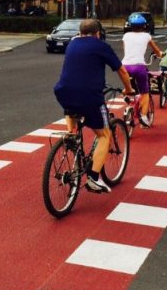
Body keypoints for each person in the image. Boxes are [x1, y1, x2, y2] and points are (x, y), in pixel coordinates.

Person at [53, 19, 135, 193]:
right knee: (104, 134)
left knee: (72, 108)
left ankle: (71, 135)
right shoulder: (101, 46)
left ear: (80, 32)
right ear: (98, 33)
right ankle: (93, 178)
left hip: (63, 92)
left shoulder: (72, 44)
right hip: (89, 96)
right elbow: (121, 70)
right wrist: (129, 89)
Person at [121, 12, 162, 128]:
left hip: (125, 66)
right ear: (144, 26)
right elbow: (157, 51)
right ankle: (143, 116)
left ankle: (128, 99)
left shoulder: (126, 36)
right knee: (145, 92)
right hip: (139, 67)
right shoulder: (147, 36)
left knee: (129, 88)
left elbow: (126, 51)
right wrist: (160, 54)